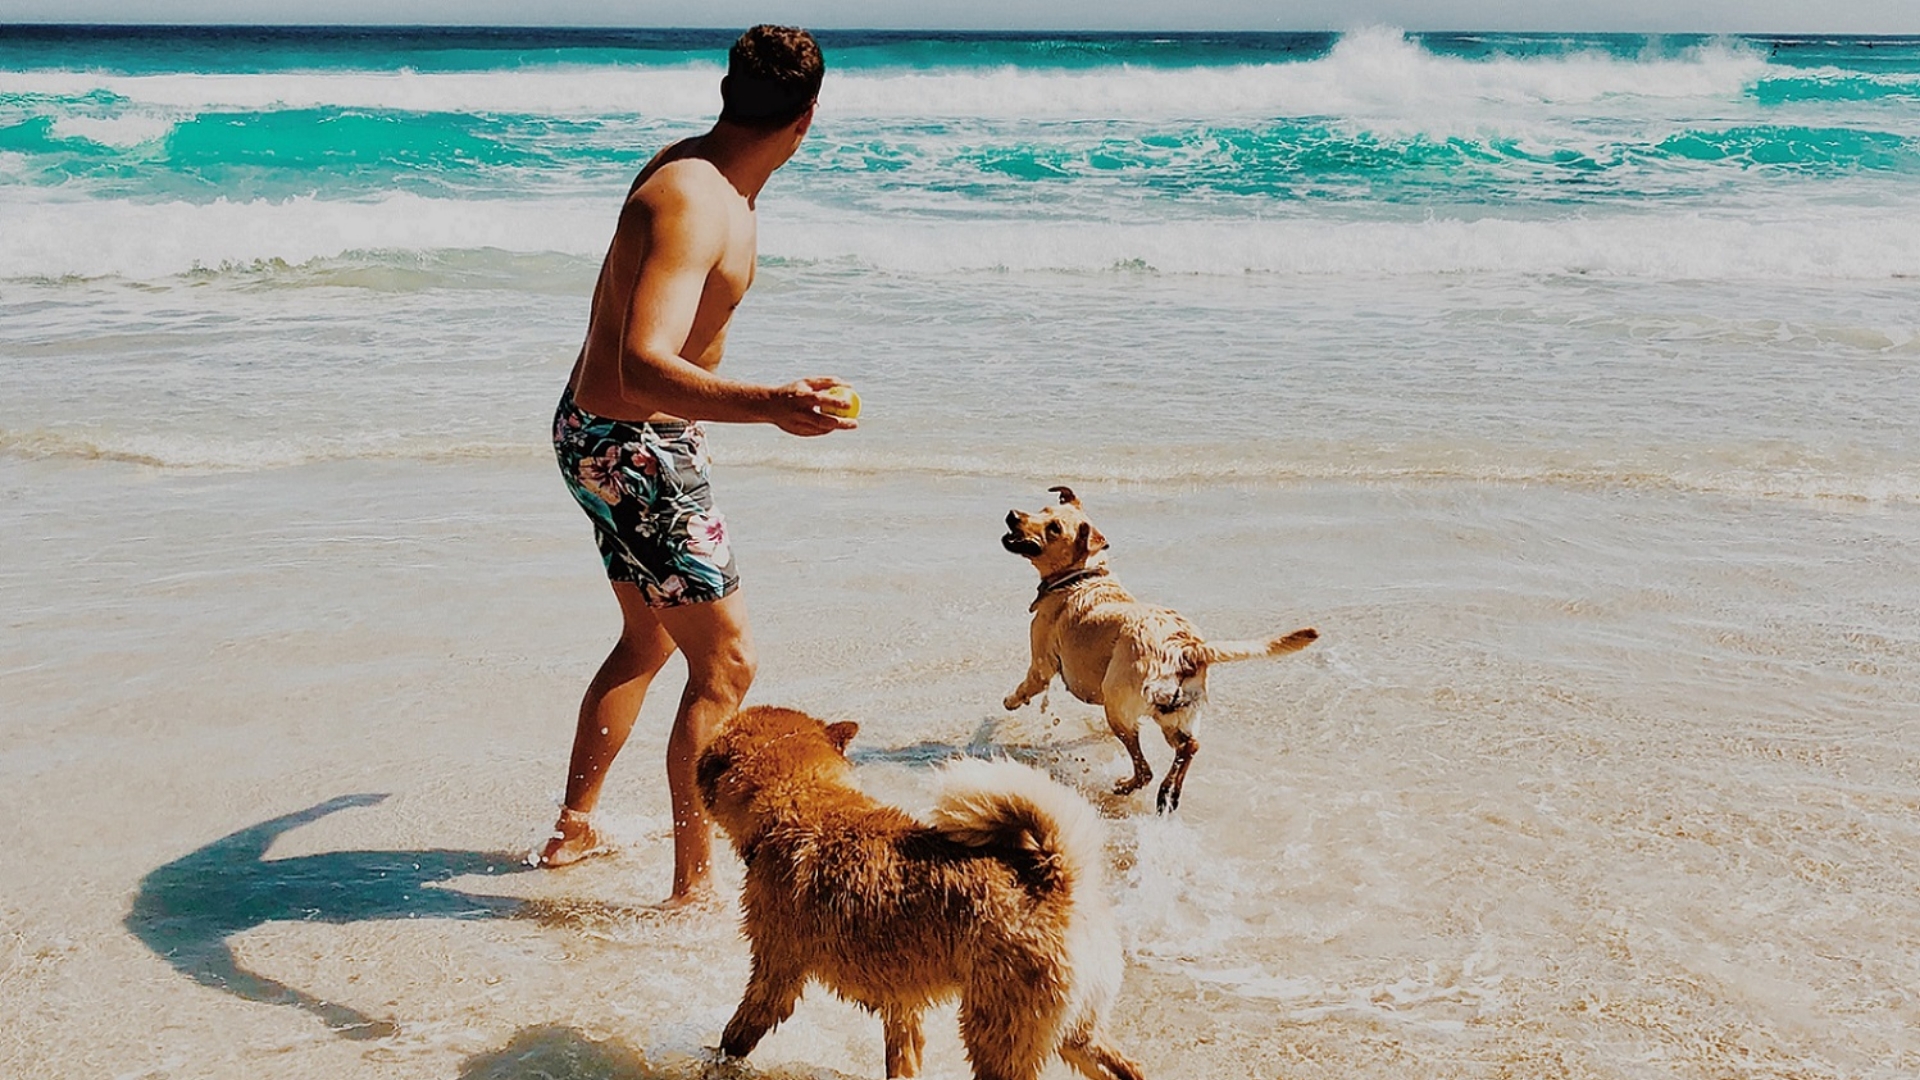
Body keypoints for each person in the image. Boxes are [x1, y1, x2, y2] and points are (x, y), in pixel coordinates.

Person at [538, 25, 852, 908]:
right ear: (808, 118)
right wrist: (773, 404)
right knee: (727, 666)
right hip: (632, 443)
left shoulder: (703, 170)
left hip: (604, 435)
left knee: (648, 638)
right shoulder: (695, 199)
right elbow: (642, 361)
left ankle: (574, 831)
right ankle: (694, 888)